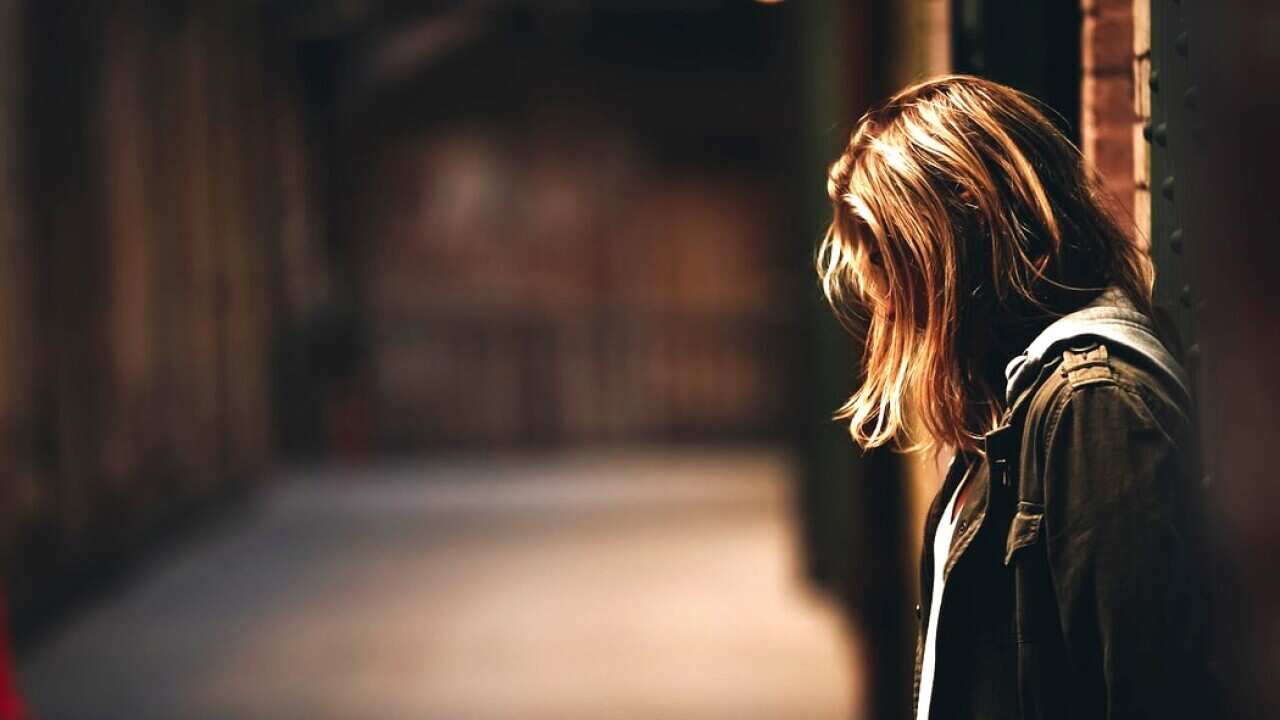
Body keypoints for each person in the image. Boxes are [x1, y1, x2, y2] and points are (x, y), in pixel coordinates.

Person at [817, 75, 1209, 719]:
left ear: (959, 237)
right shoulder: (1015, 402)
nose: (883, 302)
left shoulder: (1093, 404)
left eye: (890, 264)